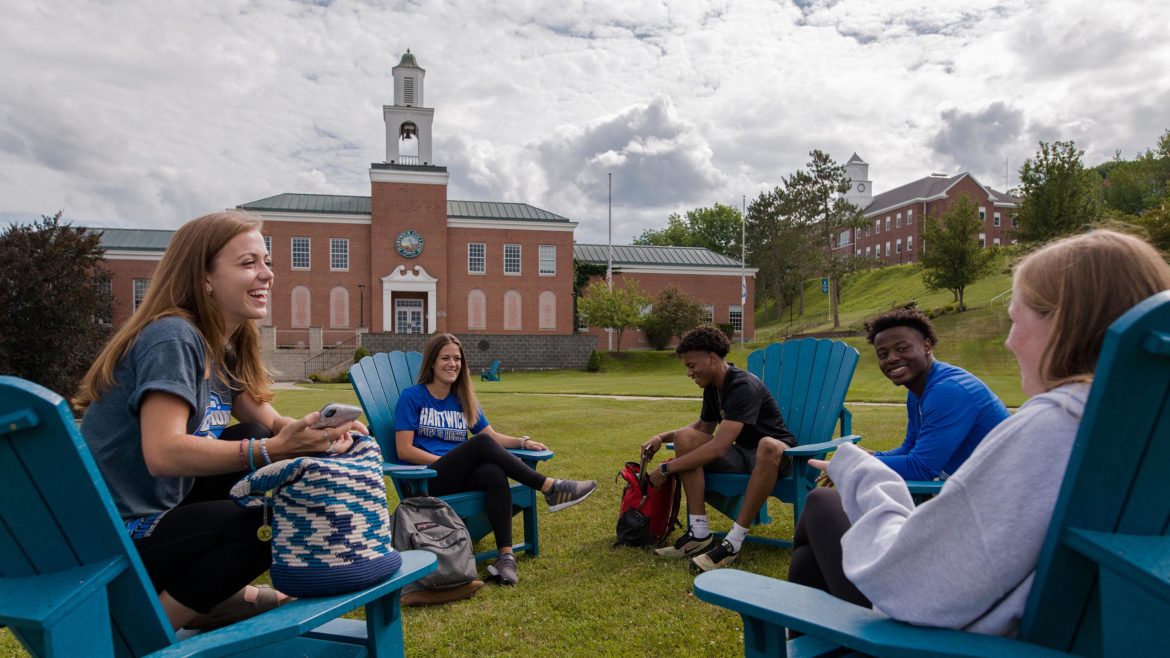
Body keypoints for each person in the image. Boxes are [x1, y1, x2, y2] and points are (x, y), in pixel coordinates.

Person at [790, 229, 1170, 636]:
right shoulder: (1133, 427)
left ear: (1065, 324)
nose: (1007, 342)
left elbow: (912, 584)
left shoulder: (1052, 425)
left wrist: (858, 468)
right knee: (812, 558)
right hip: (1052, 624)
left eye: (1015, 320)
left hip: (934, 632)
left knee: (821, 503)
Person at [73, 211, 363, 632]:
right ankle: (141, 633)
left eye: (267, 262)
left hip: (159, 512)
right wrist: (274, 448)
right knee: (269, 518)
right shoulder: (173, 337)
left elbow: (268, 423)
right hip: (113, 538)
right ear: (204, 278)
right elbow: (163, 452)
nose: (266, 275)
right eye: (248, 264)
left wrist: (319, 430)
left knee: (254, 435)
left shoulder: (223, 344)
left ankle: (214, 602)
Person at [394, 332, 597, 586]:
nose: (452, 364)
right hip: (429, 479)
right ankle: (550, 487)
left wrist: (522, 442)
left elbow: (490, 436)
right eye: (445, 358)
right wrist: (446, 461)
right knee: (478, 444)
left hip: (460, 476)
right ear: (432, 363)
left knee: (493, 472)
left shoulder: (463, 399)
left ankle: (506, 558)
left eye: (457, 358)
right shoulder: (412, 397)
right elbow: (404, 450)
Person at [641, 324, 796, 573]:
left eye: (692, 365)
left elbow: (718, 448)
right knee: (686, 438)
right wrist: (662, 437)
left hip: (778, 458)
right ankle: (699, 533)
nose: (690, 373)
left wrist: (666, 469)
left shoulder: (743, 386)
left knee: (767, 445)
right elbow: (703, 427)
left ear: (712, 359)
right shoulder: (714, 388)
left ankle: (733, 542)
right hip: (744, 454)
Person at [863, 308, 1009, 481]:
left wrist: (855, 466)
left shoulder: (948, 390)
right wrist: (871, 457)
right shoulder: (918, 393)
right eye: (883, 354)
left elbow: (921, 468)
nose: (892, 358)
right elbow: (910, 448)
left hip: (1007, 492)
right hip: (977, 487)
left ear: (927, 346)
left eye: (902, 349)